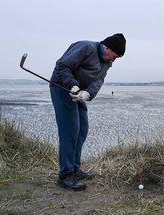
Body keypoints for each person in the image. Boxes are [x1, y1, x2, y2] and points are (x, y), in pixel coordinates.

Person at [49, 33, 126, 191]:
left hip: (80, 93)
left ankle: (75, 169)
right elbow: (62, 65)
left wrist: (88, 93)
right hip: (62, 88)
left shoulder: (107, 62)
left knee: (82, 129)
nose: (114, 60)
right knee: (70, 130)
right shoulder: (86, 47)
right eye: (115, 55)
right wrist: (72, 85)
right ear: (107, 48)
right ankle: (65, 175)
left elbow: (99, 80)